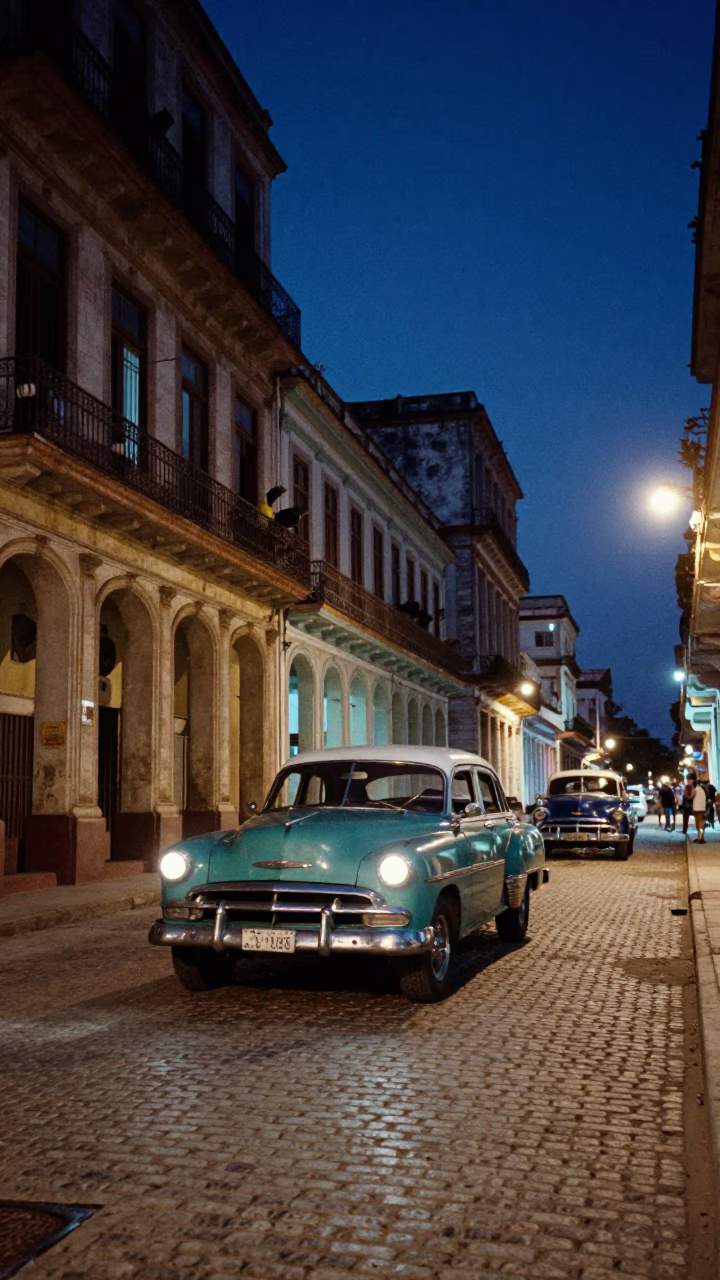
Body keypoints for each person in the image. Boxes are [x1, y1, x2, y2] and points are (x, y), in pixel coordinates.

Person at [693, 778, 707, 843]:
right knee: (701, 824)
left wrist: (686, 794)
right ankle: (700, 837)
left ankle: (700, 838)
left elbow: (690, 797)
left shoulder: (696, 789)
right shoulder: (704, 790)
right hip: (703, 808)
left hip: (697, 808)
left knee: (698, 824)